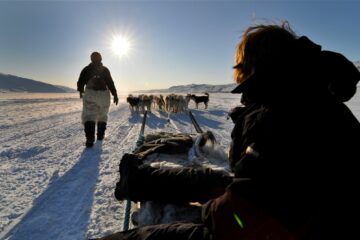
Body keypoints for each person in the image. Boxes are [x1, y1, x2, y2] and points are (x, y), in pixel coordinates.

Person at [93, 22, 360, 240]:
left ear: (256, 67)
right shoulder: (319, 103)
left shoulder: (287, 113)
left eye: (242, 70)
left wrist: (207, 207)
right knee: (212, 182)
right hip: (288, 215)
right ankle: (139, 178)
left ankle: (139, 179)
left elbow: (233, 218)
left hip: (271, 227)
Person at [77, 52, 119, 147]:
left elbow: (80, 82)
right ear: (101, 59)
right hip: (104, 94)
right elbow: (110, 83)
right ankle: (100, 135)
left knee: (89, 115)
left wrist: (80, 91)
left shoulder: (86, 69)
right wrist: (115, 94)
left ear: (91, 59)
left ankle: (90, 139)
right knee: (102, 115)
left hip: (90, 93)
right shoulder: (105, 70)